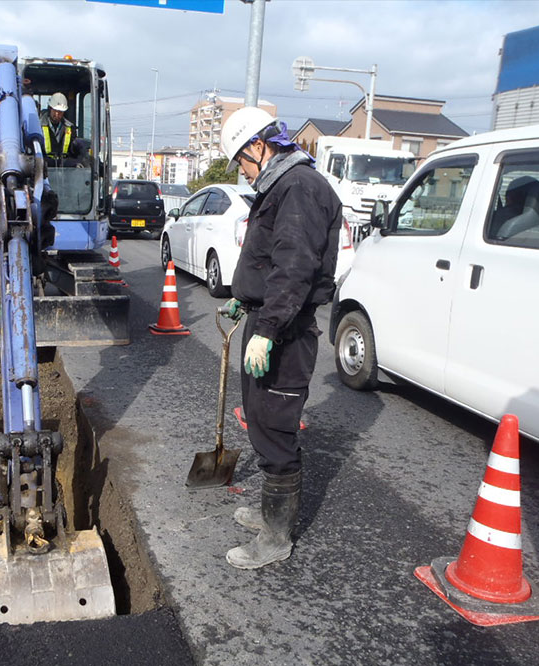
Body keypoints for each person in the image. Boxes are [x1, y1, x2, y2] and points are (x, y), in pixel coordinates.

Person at [218, 107, 342, 570]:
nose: (244, 172)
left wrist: (267, 328)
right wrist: (245, 300)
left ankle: (276, 536)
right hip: (270, 319)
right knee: (259, 416)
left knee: (274, 425)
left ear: (258, 146)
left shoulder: (299, 187)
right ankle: (271, 511)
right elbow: (269, 260)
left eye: (242, 161)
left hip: (286, 330)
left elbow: (295, 265)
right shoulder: (282, 185)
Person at [39, 92, 77, 159]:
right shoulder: (39, 126)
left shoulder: (70, 128)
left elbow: (73, 150)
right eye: (55, 110)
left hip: (64, 163)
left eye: (60, 111)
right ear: (50, 109)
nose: (57, 114)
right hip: (44, 163)